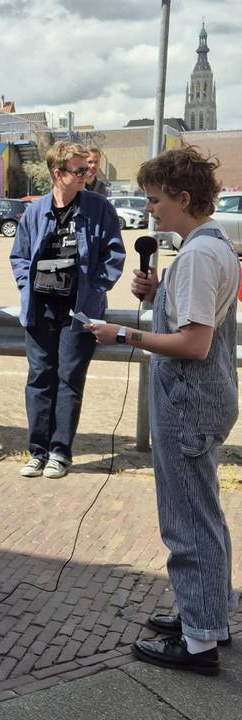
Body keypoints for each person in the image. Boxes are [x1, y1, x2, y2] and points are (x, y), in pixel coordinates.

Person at [87, 147, 236, 676]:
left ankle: (198, 645)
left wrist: (122, 332)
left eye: (154, 200)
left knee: (186, 521)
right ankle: (208, 617)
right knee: (204, 514)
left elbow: (194, 344)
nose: (148, 210)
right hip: (204, 399)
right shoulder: (213, 244)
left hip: (188, 403)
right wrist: (161, 291)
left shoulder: (197, 255)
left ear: (183, 198)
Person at [10, 142, 125, 479]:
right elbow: (19, 255)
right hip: (40, 308)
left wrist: (95, 288)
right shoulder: (34, 211)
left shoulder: (98, 208)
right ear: (57, 174)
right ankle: (37, 452)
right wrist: (24, 286)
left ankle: (60, 453)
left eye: (86, 170)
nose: (86, 175)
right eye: (78, 171)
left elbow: (114, 254)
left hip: (79, 310)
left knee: (69, 379)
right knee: (39, 379)